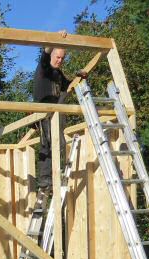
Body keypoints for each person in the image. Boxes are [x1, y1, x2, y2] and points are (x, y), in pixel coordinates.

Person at [32, 31, 86, 190]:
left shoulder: (59, 74)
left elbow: (68, 86)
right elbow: (45, 51)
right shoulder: (44, 68)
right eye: (57, 57)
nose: (60, 60)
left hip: (56, 114)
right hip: (44, 113)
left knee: (55, 145)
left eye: (62, 58)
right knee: (50, 144)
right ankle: (45, 180)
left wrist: (81, 76)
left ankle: (50, 178)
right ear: (52, 56)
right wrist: (54, 38)